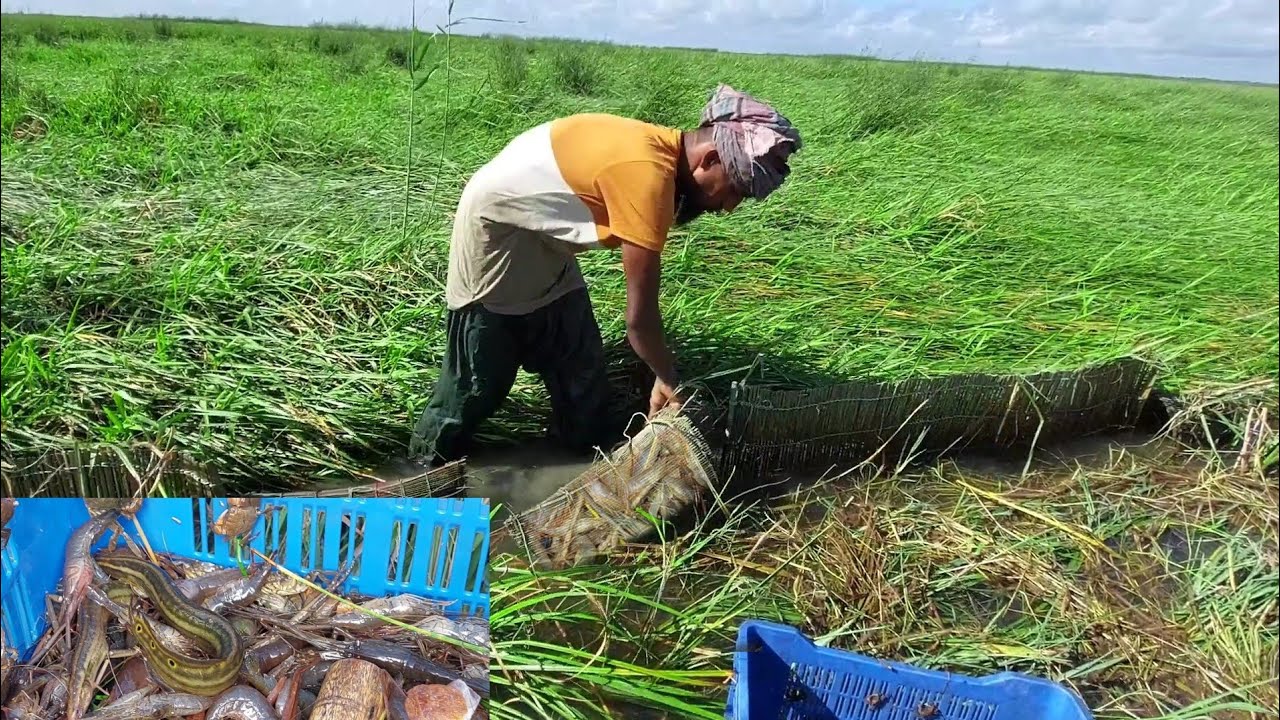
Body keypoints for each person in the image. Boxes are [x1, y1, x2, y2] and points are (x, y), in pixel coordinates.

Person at [408, 84, 802, 467]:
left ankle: (576, 459)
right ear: (711, 159)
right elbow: (640, 321)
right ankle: (422, 466)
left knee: (581, 367)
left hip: (546, 234)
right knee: (478, 380)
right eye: (734, 191)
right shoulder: (647, 176)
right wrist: (667, 378)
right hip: (499, 231)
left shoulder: (659, 152)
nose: (728, 207)